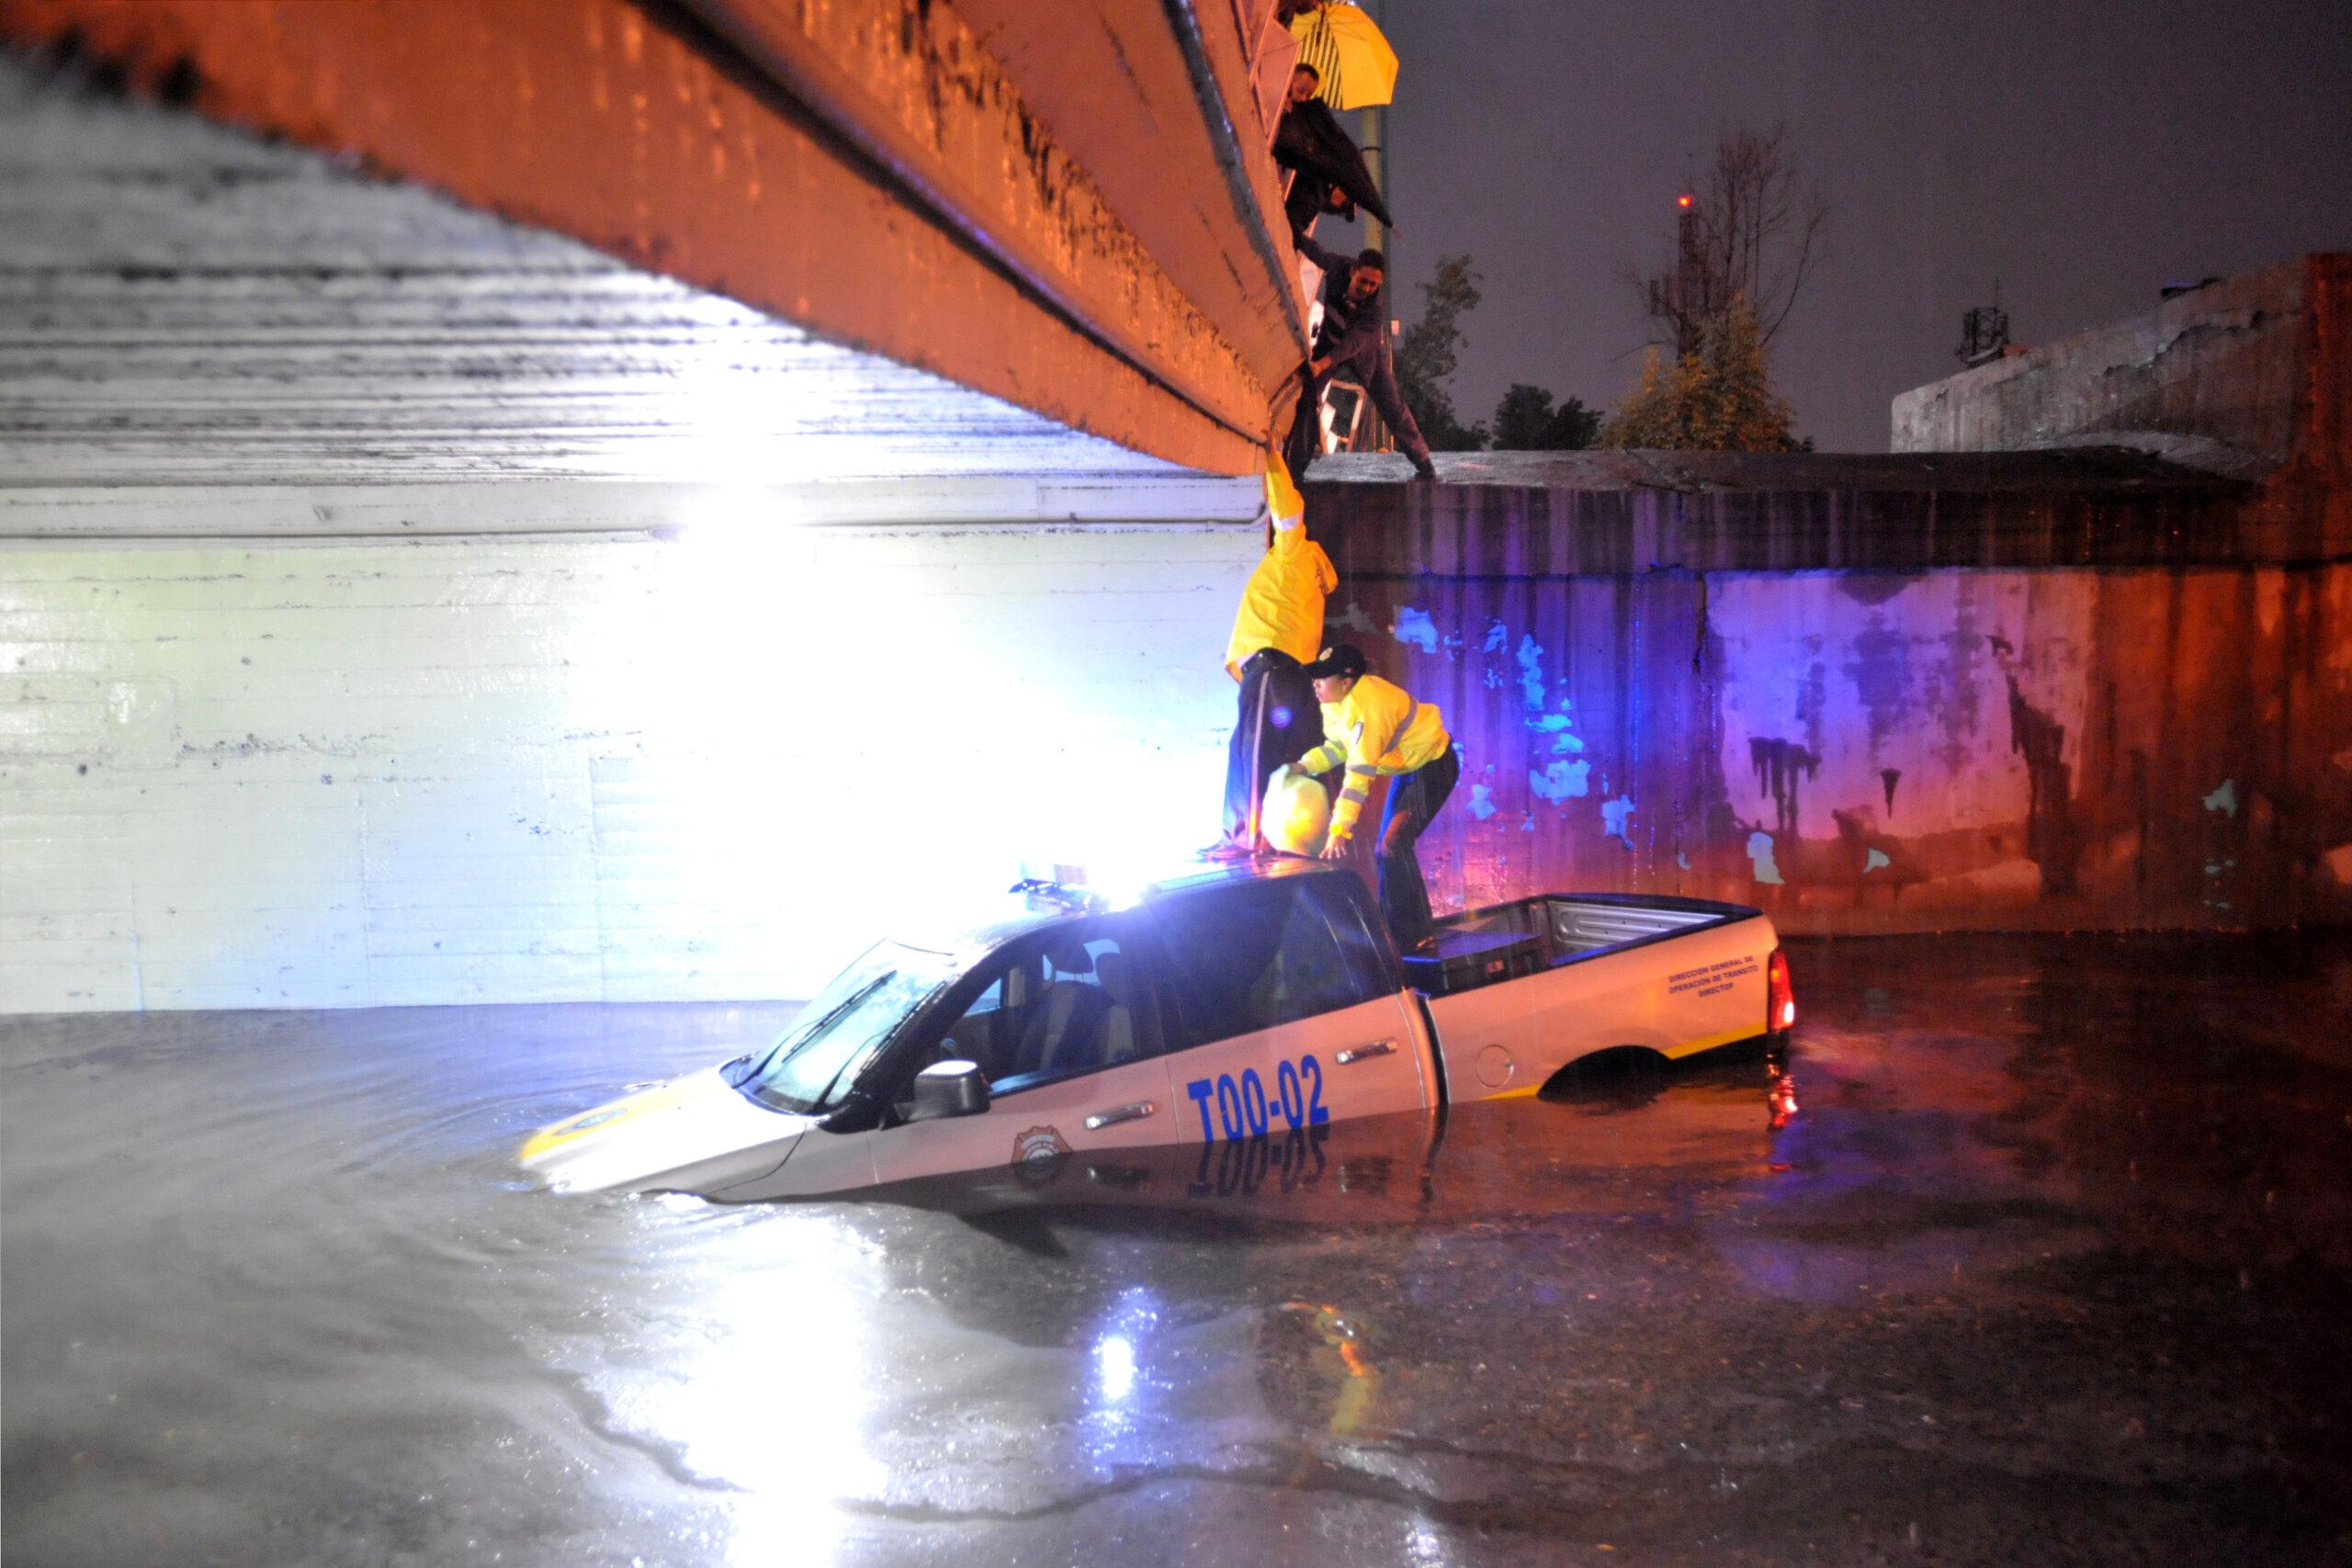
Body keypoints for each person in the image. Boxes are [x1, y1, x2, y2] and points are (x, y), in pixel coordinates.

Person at [1205, 449, 1335, 860]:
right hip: (1290, 676)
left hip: (1271, 668)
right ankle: (1272, 837)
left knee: (1252, 752)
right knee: (1268, 755)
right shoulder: (1313, 589)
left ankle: (1246, 837)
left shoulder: (1294, 553)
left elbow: (1288, 508)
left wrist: (1272, 454)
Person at [1287, 643, 1458, 953]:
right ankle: (1396, 933)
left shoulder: (1369, 706)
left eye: (1323, 679)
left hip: (1434, 766)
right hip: (1409, 769)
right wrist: (1303, 766)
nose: (1315, 684)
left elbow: (1359, 773)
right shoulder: (1334, 704)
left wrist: (1340, 828)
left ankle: (1415, 934)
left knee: (1392, 845)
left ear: (1346, 681)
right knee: (1386, 850)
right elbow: (1339, 748)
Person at [1284, 240, 1435, 483]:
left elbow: (1353, 344)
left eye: (1373, 285)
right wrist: (1296, 235)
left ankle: (1423, 462)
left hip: (1364, 354)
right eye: (1363, 281)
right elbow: (1317, 253)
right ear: (1353, 271)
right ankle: (1295, 469)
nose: (1366, 288)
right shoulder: (1337, 266)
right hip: (1329, 342)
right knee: (1307, 401)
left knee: (1392, 406)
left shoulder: (1374, 310)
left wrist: (1322, 364)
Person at [1273, 63, 1393, 240]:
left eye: (1308, 95)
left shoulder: (1319, 182)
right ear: (1288, 80)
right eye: (1300, 91)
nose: (1303, 99)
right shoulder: (1276, 104)